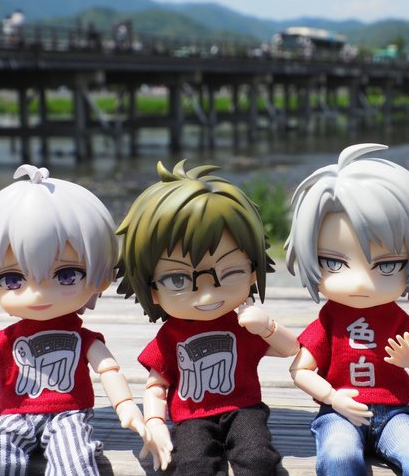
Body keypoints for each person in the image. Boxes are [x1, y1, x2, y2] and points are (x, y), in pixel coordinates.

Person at [0, 164, 150, 475]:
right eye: (12, 279)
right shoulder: (9, 338)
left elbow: (108, 368)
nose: (38, 294)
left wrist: (126, 406)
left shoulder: (82, 338)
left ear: (101, 278)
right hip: (14, 413)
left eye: (66, 275)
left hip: (69, 414)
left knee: (74, 457)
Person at [116, 160, 300, 475]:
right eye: (177, 279)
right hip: (191, 415)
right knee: (192, 464)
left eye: (229, 272)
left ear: (252, 272)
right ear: (151, 289)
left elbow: (291, 349)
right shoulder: (170, 337)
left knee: (258, 458)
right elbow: (156, 385)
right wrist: (155, 421)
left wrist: (267, 327)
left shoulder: (243, 323)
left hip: (243, 408)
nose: (206, 294)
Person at [286, 143, 409, 476]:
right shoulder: (329, 319)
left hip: (394, 413)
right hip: (340, 412)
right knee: (338, 458)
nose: (361, 282)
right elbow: (299, 370)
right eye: (333, 262)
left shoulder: (396, 318)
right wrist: (331, 397)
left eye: (388, 265)